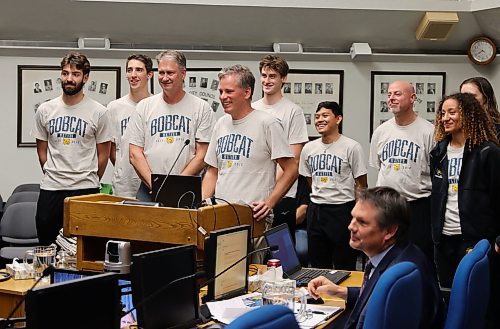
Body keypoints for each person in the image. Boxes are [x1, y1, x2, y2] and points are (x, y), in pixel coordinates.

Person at [308, 187, 444, 329]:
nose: (350, 226)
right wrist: (340, 292)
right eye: (352, 218)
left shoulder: (398, 277)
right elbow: (376, 297)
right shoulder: (403, 254)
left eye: (362, 222)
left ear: (390, 231)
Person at [430, 92, 499, 328]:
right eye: (443, 113)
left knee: (474, 298)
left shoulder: (488, 152)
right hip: (444, 237)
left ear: (468, 114)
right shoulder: (438, 152)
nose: (445, 117)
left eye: (452, 112)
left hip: (475, 238)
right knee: (448, 295)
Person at [202, 64, 298, 224]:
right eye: (221, 91)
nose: (223, 96)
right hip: (221, 216)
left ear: (247, 92)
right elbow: (213, 171)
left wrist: (269, 203)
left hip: (254, 218)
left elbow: (291, 169)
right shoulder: (220, 124)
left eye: (229, 91)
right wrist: (203, 203)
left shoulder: (268, 123)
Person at [33, 51, 111, 245]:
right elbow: (41, 149)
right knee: (47, 246)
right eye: (65, 73)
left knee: (85, 248)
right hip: (51, 188)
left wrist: (90, 177)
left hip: (85, 188)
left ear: (85, 78)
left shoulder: (99, 112)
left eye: (75, 74)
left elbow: (104, 153)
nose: (69, 78)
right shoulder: (45, 109)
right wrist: (53, 172)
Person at [126, 50, 215, 201]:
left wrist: (174, 186)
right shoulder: (144, 106)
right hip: (149, 189)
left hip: (186, 188)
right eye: (161, 73)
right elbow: (134, 154)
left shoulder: (201, 108)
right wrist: (156, 186)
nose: (165, 78)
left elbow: (202, 155)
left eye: (170, 73)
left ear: (183, 73)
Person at [369, 80, 434, 260]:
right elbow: (380, 166)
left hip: (417, 206)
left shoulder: (429, 132)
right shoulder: (381, 132)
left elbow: (436, 173)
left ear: (413, 97)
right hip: (387, 206)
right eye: (389, 94)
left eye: (397, 94)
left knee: (418, 258)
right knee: (386, 257)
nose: (391, 98)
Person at [300, 101, 367, 270]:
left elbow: (361, 184)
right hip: (316, 211)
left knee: (345, 263)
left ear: (338, 119)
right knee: (317, 264)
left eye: (324, 115)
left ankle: (346, 296)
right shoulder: (308, 148)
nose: (319, 120)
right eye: (316, 117)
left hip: (342, 210)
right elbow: (309, 181)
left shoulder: (352, 147)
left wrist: (358, 215)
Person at [252, 55, 308, 239]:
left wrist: (271, 191)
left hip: (283, 195)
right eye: (264, 75)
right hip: (254, 195)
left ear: (283, 78)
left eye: (272, 76)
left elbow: (295, 158)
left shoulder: (293, 111)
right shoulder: (252, 108)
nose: (267, 81)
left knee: (281, 254)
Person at [108, 54, 153, 197]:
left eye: (139, 70)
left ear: (149, 74)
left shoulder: (157, 106)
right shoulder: (114, 108)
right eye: (129, 70)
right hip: (124, 185)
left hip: (151, 183)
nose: (133, 75)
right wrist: (123, 168)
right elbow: (111, 149)